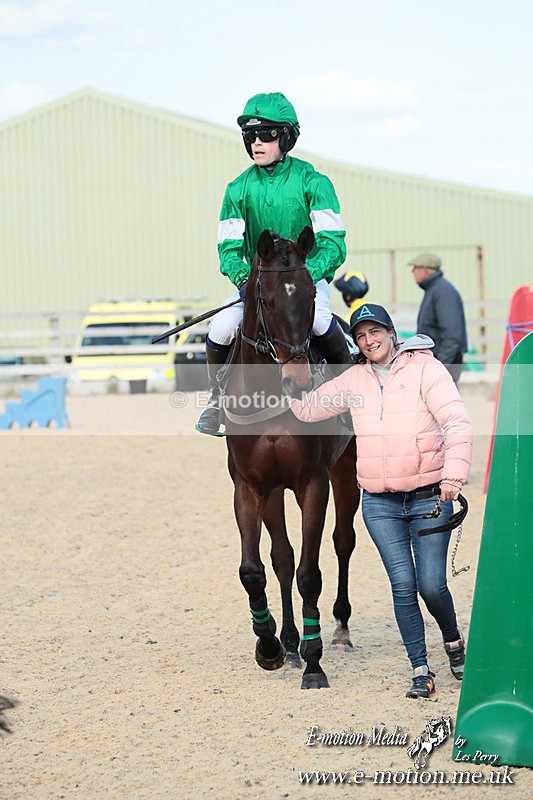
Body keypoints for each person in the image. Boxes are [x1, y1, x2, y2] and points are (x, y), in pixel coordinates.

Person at [288, 303, 473, 698]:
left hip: (429, 498)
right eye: (360, 336)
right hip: (379, 503)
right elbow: (307, 410)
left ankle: (454, 640)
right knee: (403, 585)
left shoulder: (426, 369)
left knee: (432, 585)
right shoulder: (354, 379)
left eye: (376, 332)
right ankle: (420, 669)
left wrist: (453, 477)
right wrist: (285, 383)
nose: (370, 341)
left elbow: (456, 422)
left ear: (392, 333)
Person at [196, 91, 352, 435]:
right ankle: (215, 400)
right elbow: (228, 248)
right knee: (221, 327)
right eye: (250, 136)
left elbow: (333, 243)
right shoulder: (237, 189)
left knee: (323, 322)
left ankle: (351, 400)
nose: (257, 143)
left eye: (266, 134)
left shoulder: (314, 182)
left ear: (286, 137)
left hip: (307, 281)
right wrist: (244, 280)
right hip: (259, 285)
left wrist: (304, 277)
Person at [408, 252, 468, 384]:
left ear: (425, 270)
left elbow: (452, 334)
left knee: (444, 400)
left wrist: (441, 365)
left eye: (415, 268)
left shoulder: (442, 292)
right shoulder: (435, 290)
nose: (412, 272)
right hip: (438, 359)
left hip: (444, 360)